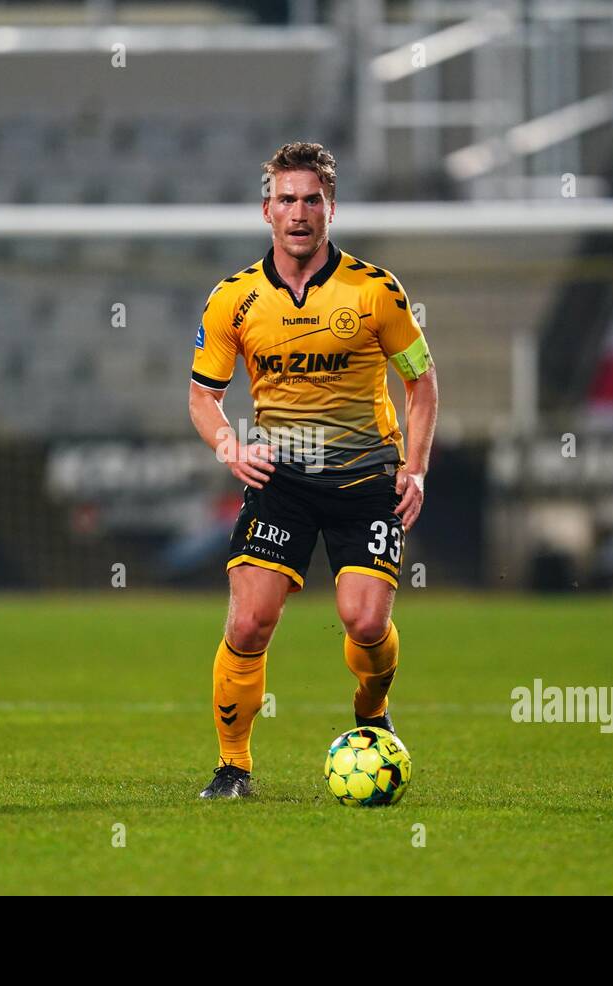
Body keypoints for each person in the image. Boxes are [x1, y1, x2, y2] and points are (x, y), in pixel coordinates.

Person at [188, 142, 438, 798]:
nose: (299, 213)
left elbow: (422, 383)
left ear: (332, 208)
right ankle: (233, 766)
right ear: (265, 208)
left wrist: (416, 468)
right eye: (287, 199)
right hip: (282, 482)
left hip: (366, 480)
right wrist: (228, 447)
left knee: (364, 623)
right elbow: (201, 397)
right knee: (247, 623)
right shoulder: (233, 300)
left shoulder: (376, 292)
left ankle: (372, 707)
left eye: (312, 200)